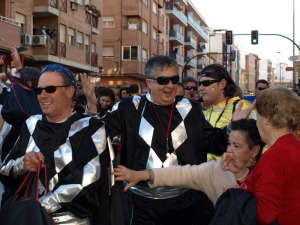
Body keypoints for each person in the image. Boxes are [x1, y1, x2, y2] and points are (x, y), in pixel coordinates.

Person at [81, 55, 231, 225]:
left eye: (174, 80)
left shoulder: (191, 108)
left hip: (186, 204)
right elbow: (97, 136)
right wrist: (92, 108)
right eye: (163, 80)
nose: (170, 86)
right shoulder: (130, 107)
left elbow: (216, 143)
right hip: (141, 206)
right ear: (148, 83)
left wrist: (234, 127)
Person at [0, 64, 111, 225]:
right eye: (39, 90)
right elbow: (4, 170)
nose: (42, 95)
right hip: (29, 217)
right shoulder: (31, 123)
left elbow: (87, 181)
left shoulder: (90, 127)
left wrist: (40, 205)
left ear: (69, 91)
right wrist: (22, 163)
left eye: (50, 89)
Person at [114, 119, 264, 206]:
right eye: (229, 143)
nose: (230, 150)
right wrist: (142, 175)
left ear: (255, 150)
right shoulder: (216, 170)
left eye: (237, 146)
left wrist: (240, 175)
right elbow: (181, 174)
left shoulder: (268, 170)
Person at [223, 86, 300, 225]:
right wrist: (241, 175)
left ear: (268, 119)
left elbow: (264, 215)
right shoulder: (293, 146)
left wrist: (238, 199)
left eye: (257, 115)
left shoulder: (274, 156)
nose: (256, 121)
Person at [199, 64, 252, 160]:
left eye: (206, 83)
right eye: (200, 84)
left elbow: (262, 145)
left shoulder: (242, 107)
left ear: (222, 84)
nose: (201, 88)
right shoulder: (202, 113)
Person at [0, 47, 42, 161]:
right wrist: (18, 66)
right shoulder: (33, 100)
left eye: (16, 84)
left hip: (19, 164)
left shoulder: (30, 108)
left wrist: (19, 67)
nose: (13, 86)